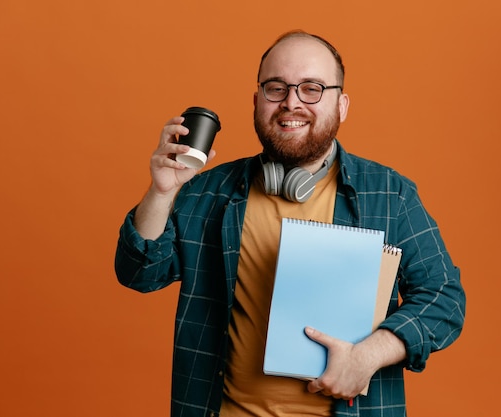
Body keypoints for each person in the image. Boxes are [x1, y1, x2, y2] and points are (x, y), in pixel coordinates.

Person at [115, 30, 466, 417]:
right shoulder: (206, 192)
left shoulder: (389, 194)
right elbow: (139, 272)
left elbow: (444, 300)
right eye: (276, 88)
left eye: (311, 89)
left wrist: (369, 355)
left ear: (342, 105)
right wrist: (162, 192)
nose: (291, 103)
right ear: (257, 101)